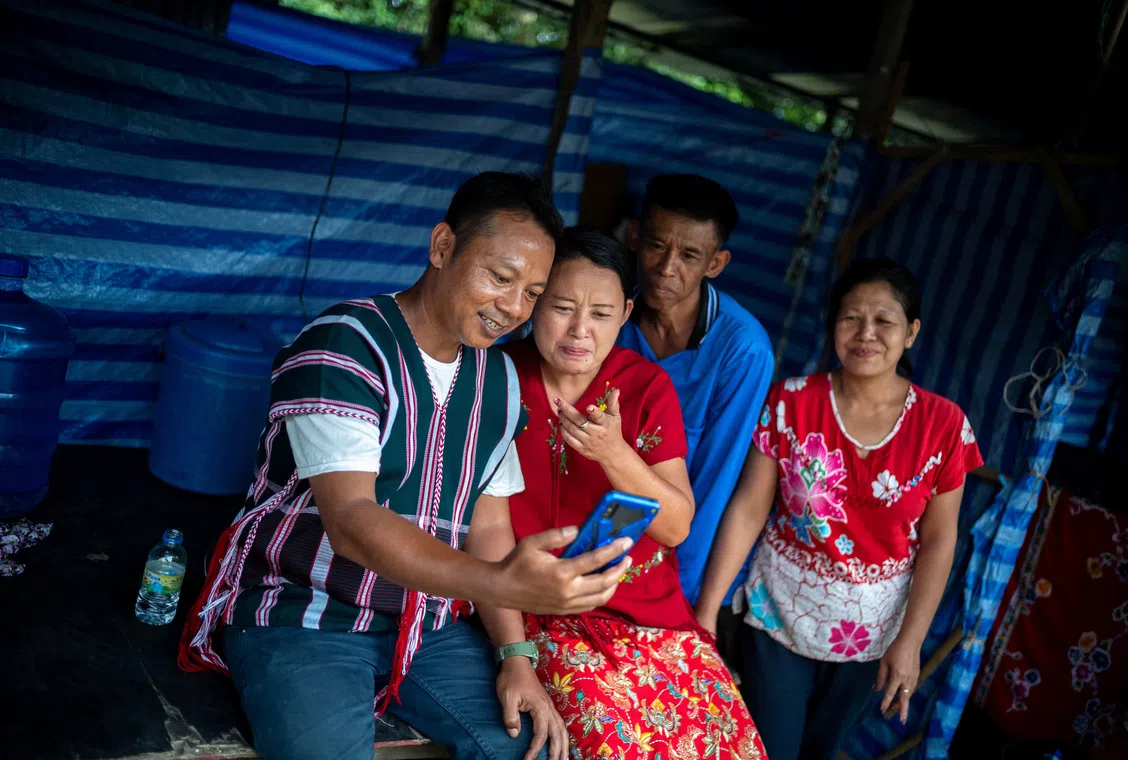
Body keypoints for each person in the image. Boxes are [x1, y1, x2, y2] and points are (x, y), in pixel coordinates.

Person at [178, 173, 638, 760]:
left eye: (531, 292)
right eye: (500, 277)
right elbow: (352, 519)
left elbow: (488, 526)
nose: (512, 308)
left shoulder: (497, 379)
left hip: (425, 626)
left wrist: (516, 657)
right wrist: (497, 582)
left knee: (533, 750)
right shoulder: (345, 344)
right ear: (443, 247)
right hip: (304, 614)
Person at [468, 227, 767, 759]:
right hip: (542, 613)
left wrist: (614, 453)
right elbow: (484, 532)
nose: (579, 331)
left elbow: (675, 526)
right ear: (533, 302)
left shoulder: (646, 386)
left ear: (626, 313)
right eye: (561, 307)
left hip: (652, 617)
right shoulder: (494, 378)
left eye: (602, 314)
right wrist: (514, 653)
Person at [695, 258, 984, 760]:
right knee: (767, 749)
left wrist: (910, 642)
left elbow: (940, 541)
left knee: (822, 751)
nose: (865, 333)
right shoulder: (790, 402)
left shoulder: (943, 426)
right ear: (833, 326)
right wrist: (706, 612)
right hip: (778, 615)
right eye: (851, 318)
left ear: (911, 333)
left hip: (873, 635)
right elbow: (749, 508)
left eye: (884, 321)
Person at [616, 174, 774, 618]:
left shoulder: (742, 350)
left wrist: (679, 598)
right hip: (597, 540)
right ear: (634, 237)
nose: (667, 268)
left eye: (689, 255)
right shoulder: (608, 315)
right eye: (656, 245)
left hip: (677, 566)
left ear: (715, 263)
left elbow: (714, 480)